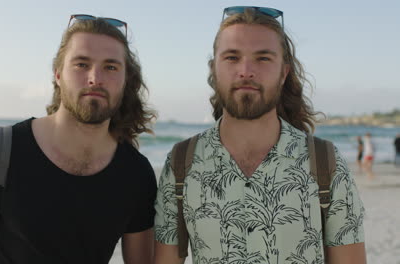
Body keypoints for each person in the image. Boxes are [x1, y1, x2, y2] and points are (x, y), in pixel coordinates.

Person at [0, 14, 157, 264]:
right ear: (58, 75)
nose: (95, 77)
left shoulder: (136, 175)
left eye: (111, 67)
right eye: (81, 64)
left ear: (126, 80)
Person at [154, 7, 366, 264]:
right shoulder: (180, 163)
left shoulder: (326, 163)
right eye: (232, 57)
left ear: (284, 72)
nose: (246, 71)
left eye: (263, 58)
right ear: (214, 69)